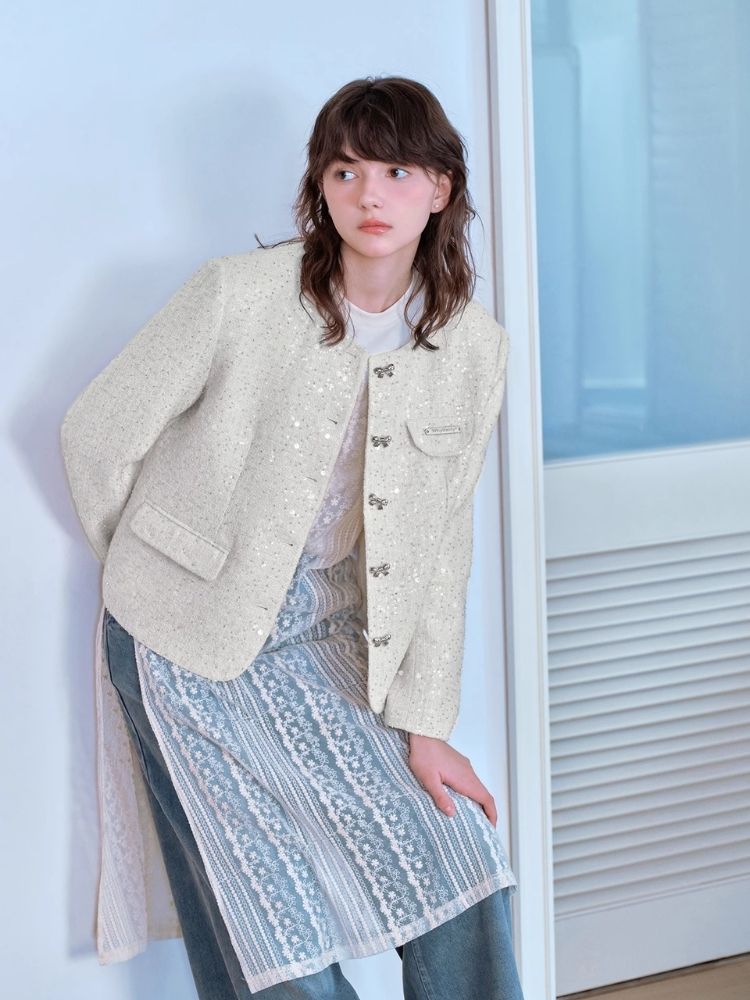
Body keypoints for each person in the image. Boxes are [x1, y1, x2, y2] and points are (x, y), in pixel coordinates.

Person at [60, 76, 524, 999]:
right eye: (345, 172)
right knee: (269, 916)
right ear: (320, 187)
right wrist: (165, 580)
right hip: (184, 644)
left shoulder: (474, 350)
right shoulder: (237, 294)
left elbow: (442, 550)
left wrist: (426, 729)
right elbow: (96, 434)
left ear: (440, 188)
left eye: (397, 171)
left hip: (329, 635)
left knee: (454, 859)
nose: (369, 195)